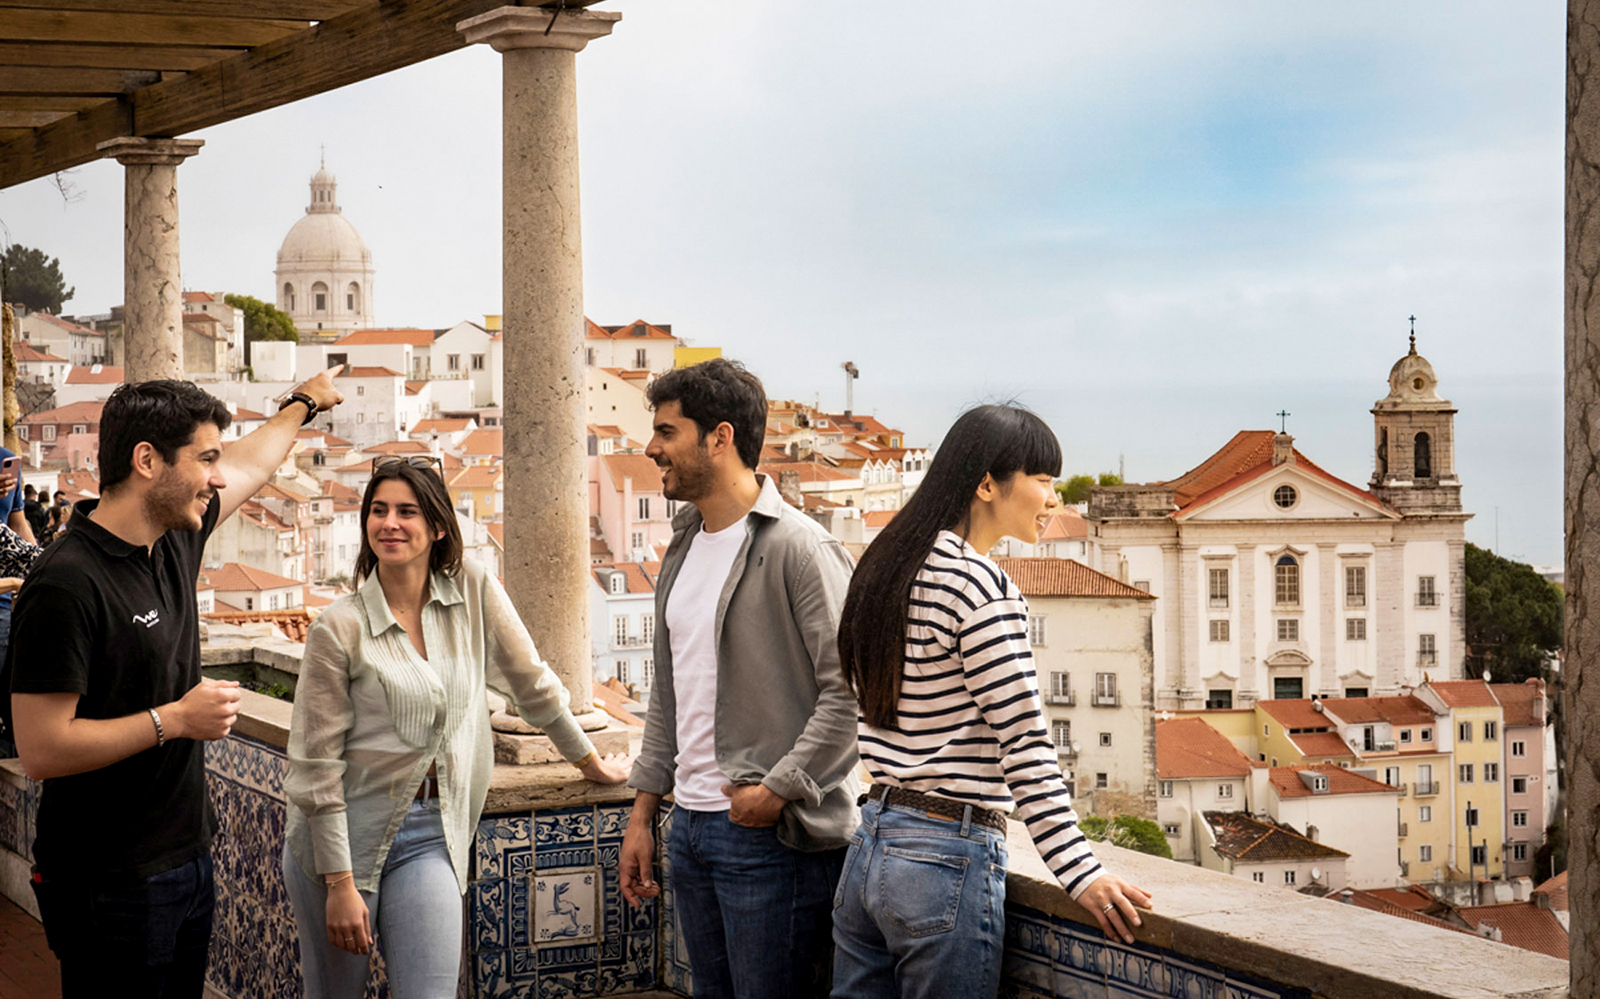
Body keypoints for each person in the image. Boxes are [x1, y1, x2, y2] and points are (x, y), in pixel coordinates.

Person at [8, 372, 345, 999]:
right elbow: (42, 749)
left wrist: (302, 404)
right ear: (146, 462)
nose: (218, 477)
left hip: (185, 857)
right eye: (205, 458)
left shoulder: (171, 542)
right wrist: (175, 720)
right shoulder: (65, 585)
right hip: (104, 882)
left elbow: (252, 463)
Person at [831, 404, 1154, 999]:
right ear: (987, 484)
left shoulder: (883, 567)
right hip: (941, 859)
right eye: (1044, 480)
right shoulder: (979, 584)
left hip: (872, 842)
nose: (1054, 499)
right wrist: (1080, 872)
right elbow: (1026, 742)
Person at [282, 455, 631, 999]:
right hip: (341, 842)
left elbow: (530, 683)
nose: (389, 523)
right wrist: (340, 884)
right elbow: (315, 768)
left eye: (406, 511)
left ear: (438, 525)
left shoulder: (472, 589)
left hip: (431, 834)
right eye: (378, 511)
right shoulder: (339, 628)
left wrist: (587, 759)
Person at [618, 359, 860, 999]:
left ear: (719, 438)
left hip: (769, 837)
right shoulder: (683, 545)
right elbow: (669, 694)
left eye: (667, 432)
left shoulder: (800, 549)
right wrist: (644, 812)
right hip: (691, 827)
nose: (652, 448)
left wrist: (777, 790)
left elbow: (850, 695)